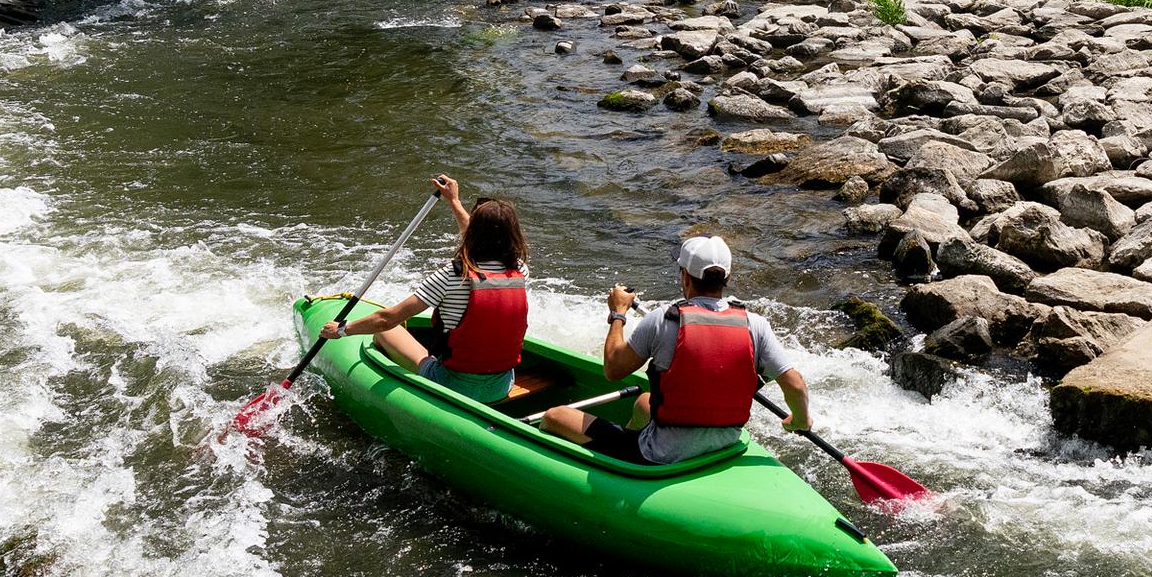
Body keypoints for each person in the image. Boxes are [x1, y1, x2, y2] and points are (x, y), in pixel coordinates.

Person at [538, 231, 809, 464]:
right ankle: (627, 443)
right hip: (725, 443)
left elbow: (613, 369)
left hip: (663, 455)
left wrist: (618, 314)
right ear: (727, 277)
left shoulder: (664, 319)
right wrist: (799, 420)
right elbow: (795, 385)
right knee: (645, 402)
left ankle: (614, 467)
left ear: (685, 277)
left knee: (554, 416)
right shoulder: (755, 324)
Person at [318, 176, 534, 403]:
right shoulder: (519, 270)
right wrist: (454, 202)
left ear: (474, 235)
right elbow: (481, 241)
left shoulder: (452, 275)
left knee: (386, 331)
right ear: (513, 235)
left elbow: (387, 319)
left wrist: (342, 329)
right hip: (501, 385)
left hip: (451, 385)